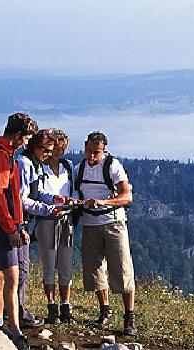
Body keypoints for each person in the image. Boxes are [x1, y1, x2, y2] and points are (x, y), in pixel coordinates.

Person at [0, 112, 38, 349]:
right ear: (17, 135)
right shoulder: (0, 157)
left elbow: (11, 197)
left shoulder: (7, 155)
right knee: (13, 277)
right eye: (25, 138)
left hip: (7, 223)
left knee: (1, 275)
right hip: (1, 223)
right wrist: (10, 229)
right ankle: (14, 329)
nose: (26, 143)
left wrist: (20, 225)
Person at [75, 131, 137, 336]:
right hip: (90, 222)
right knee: (95, 269)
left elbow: (127, 196)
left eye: (97, 153)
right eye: (89, 152)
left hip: (113, 222)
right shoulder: (79, 168)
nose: (92, 157)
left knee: (121, 268)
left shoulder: (112, 166)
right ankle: (105, 311)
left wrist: (104, 202)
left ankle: (129, 317)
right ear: (84, 147)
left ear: (104, 151)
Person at [16, 128, 65, 327]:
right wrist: (47, 210)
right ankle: (18, 312)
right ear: (35, 147)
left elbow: (38, 191)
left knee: (21, 269)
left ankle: (15, 308)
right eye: (45, 150)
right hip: (19, 221)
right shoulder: (24, 164)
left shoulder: (34, 164)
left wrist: (54, 199)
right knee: (21, 269)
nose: (48, 155)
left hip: (26, 221)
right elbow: (22, 199)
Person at [36, 129, 77, 324]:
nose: (59, 154)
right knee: (49, 264)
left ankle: (65, 305)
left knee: (66, 264)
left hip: (66, 218)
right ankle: (51, 305)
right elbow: (37, 193)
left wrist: (73, 203)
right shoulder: (39, 168)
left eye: (62, 150)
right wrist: (53, 203)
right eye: (56, 149)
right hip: (47, 219)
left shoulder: (68, 166)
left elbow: (75, 189)